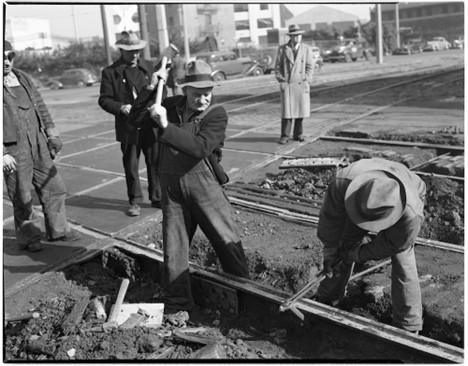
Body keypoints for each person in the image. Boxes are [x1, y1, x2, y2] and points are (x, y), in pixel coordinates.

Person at [130, 60, 250, 311]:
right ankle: (179, 302)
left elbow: (200, 148)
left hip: (205, 188)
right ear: (185, 91)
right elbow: (136, 118)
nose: (203, 99)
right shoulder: (170, 105)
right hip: (172, 189)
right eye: (197, 94)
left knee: (225, 240)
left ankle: (246, 296)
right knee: (174, 246)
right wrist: (151, 88)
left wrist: (164, 125)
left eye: (207, 93)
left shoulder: (216, 113)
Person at [315, 157, 426, 333]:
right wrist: (331, 251)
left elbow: (393, 243)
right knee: (344, 244)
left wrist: (358, 255)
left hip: (408, 192)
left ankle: (408, 323)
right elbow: (330, 221)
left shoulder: (411, 214)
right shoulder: (341, 183)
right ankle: (328, 297)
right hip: (362, 190)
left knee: (403, 256)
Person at [3, 40, 80, 252]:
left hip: (38, 143)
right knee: (22, 195)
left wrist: (52, 135)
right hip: (13, 150)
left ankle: (59, 230)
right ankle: (29, 238)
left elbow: (42, 108)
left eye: (10, 56)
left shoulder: (22, 78)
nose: (6, 61)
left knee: (55, 187)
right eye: (2, 56)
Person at [98, 31, 164, 216]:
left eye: (137, 51)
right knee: (131, 166)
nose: (135, 55)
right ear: (121, 50)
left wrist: (155, 105)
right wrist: (120, 107)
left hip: (149, 123)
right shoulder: (110, 72)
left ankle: (157, 197)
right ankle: (135, 201)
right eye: (130, 51)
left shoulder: (149, 67)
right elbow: (104, 100)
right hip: (128, 127)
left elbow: (160, 91)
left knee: (155, 162)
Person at [274, 24, 314, 145]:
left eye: (299, 35)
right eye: (294, 36)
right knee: (287, 112)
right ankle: (285, 135)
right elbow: (277, 68)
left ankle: (298, 134)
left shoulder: (306, 49)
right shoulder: (282, 49)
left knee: (300, 111)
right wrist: (282, 81)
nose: (297, 38)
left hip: (301, 83)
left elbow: (309, 66)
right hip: (288, 84)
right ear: (290, 37)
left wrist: (306, 79)